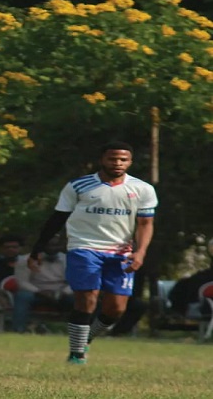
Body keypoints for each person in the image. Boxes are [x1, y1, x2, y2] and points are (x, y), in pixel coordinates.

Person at [29, 141, 157, 364]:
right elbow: (57, 219)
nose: (117, 163)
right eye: (112, 158)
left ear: (130, 162)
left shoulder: (142, 189)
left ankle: (85, 338)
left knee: (116, 308)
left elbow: (146, 224)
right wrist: (37, 249)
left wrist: (141, 252)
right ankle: (77, 354)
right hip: (84, 247)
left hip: (121, 252)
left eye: (123, 159)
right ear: (102, 160)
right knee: (87, 298)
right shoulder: (78, 186)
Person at [12, 235, 73, 333]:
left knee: (82, 298)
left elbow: (75, 282)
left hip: (62, 293)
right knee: (22, 296)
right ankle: (19, 330)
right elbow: (22, 282)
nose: (52, 248)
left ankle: (83, 333)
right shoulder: (25, 260)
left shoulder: (70, 260)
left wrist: (64, 292)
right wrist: (39, 292)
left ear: (61, 246)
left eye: (55, 245)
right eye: (48, 245)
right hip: (36, 293)